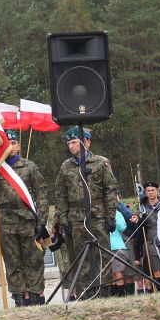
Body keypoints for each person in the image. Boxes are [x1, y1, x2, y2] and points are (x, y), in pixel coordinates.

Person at [0, 130, 48, 307]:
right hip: (6, 219)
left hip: (27, 218)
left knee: (33, 258)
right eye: (7, 143)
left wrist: (42, 221)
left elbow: (41, 193)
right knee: (12, 260)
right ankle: (19, 296)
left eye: (13, 143)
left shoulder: (29, 166)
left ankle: (35, 295)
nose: (10, 146)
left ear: (18, 146)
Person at [54, 127, 118, 299]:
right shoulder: (66, 166)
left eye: (74, 142)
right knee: (81, 256)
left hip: (98, 216)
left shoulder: (101, 162)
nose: (71, 146)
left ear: (87, 142)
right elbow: (60, 194)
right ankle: (86, 293)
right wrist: (63, 218)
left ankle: (103, 291)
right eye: (69, 143)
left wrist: (111, 216)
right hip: (76, 218)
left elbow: (110, 190)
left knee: (101, 254)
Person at [134, 181, 160, 292]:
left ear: (157, 190)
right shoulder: (142, 207)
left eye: (152, 190)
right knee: (157, 268)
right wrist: (140, 221)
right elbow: (139, 230)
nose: (150, 193)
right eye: (148, 191)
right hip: (151, 239)